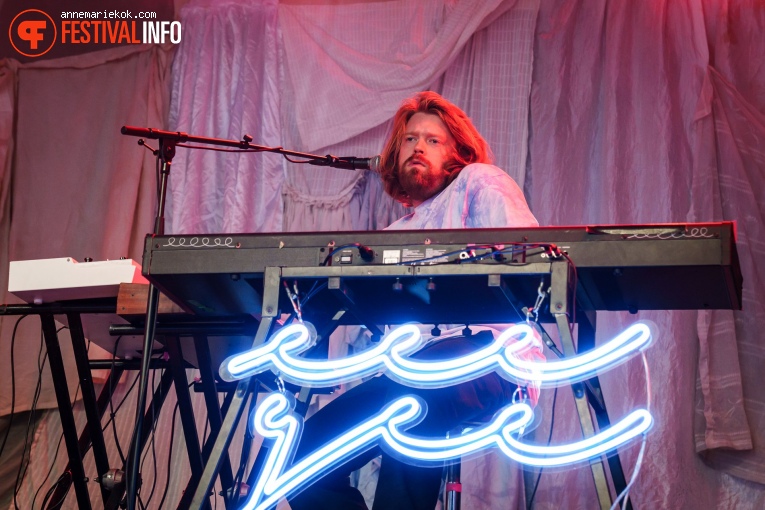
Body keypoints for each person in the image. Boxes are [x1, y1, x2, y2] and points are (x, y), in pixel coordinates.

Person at [288, 91, 542, 510]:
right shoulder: (394, 234)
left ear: (456, 154)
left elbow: (530, 261)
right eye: (409, 140)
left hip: (492, 358)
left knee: (413, 396)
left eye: (432, 140)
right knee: (299, 457)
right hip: (413, 371)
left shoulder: (480, 182)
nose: (418, 147)